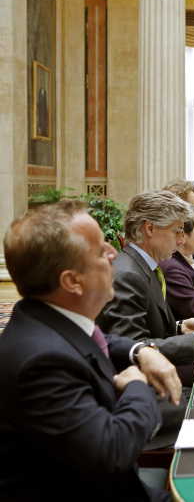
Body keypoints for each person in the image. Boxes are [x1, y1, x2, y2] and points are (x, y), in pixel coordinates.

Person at [0, 201, 181, 501]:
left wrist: (140, 351)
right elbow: (112, 454)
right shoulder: (40, 362)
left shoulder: (42, 317)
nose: (115, 253)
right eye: (100, 251)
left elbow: (99, 340)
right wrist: (138, 386)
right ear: (71, 281)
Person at [97, 190, 194, 377]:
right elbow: (133, 349)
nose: (181, 240)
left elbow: (148, 326)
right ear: (150, 229)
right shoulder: (128, 275)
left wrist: (179, 327)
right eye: (176, 232)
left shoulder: (147, 265)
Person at [36, 73, 49, 137]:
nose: (42, 82)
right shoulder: (39, 93)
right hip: (40, 114)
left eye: (43, 80)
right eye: (41, 80)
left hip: (44, 114)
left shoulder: (45, 93)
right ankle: (40, 130)